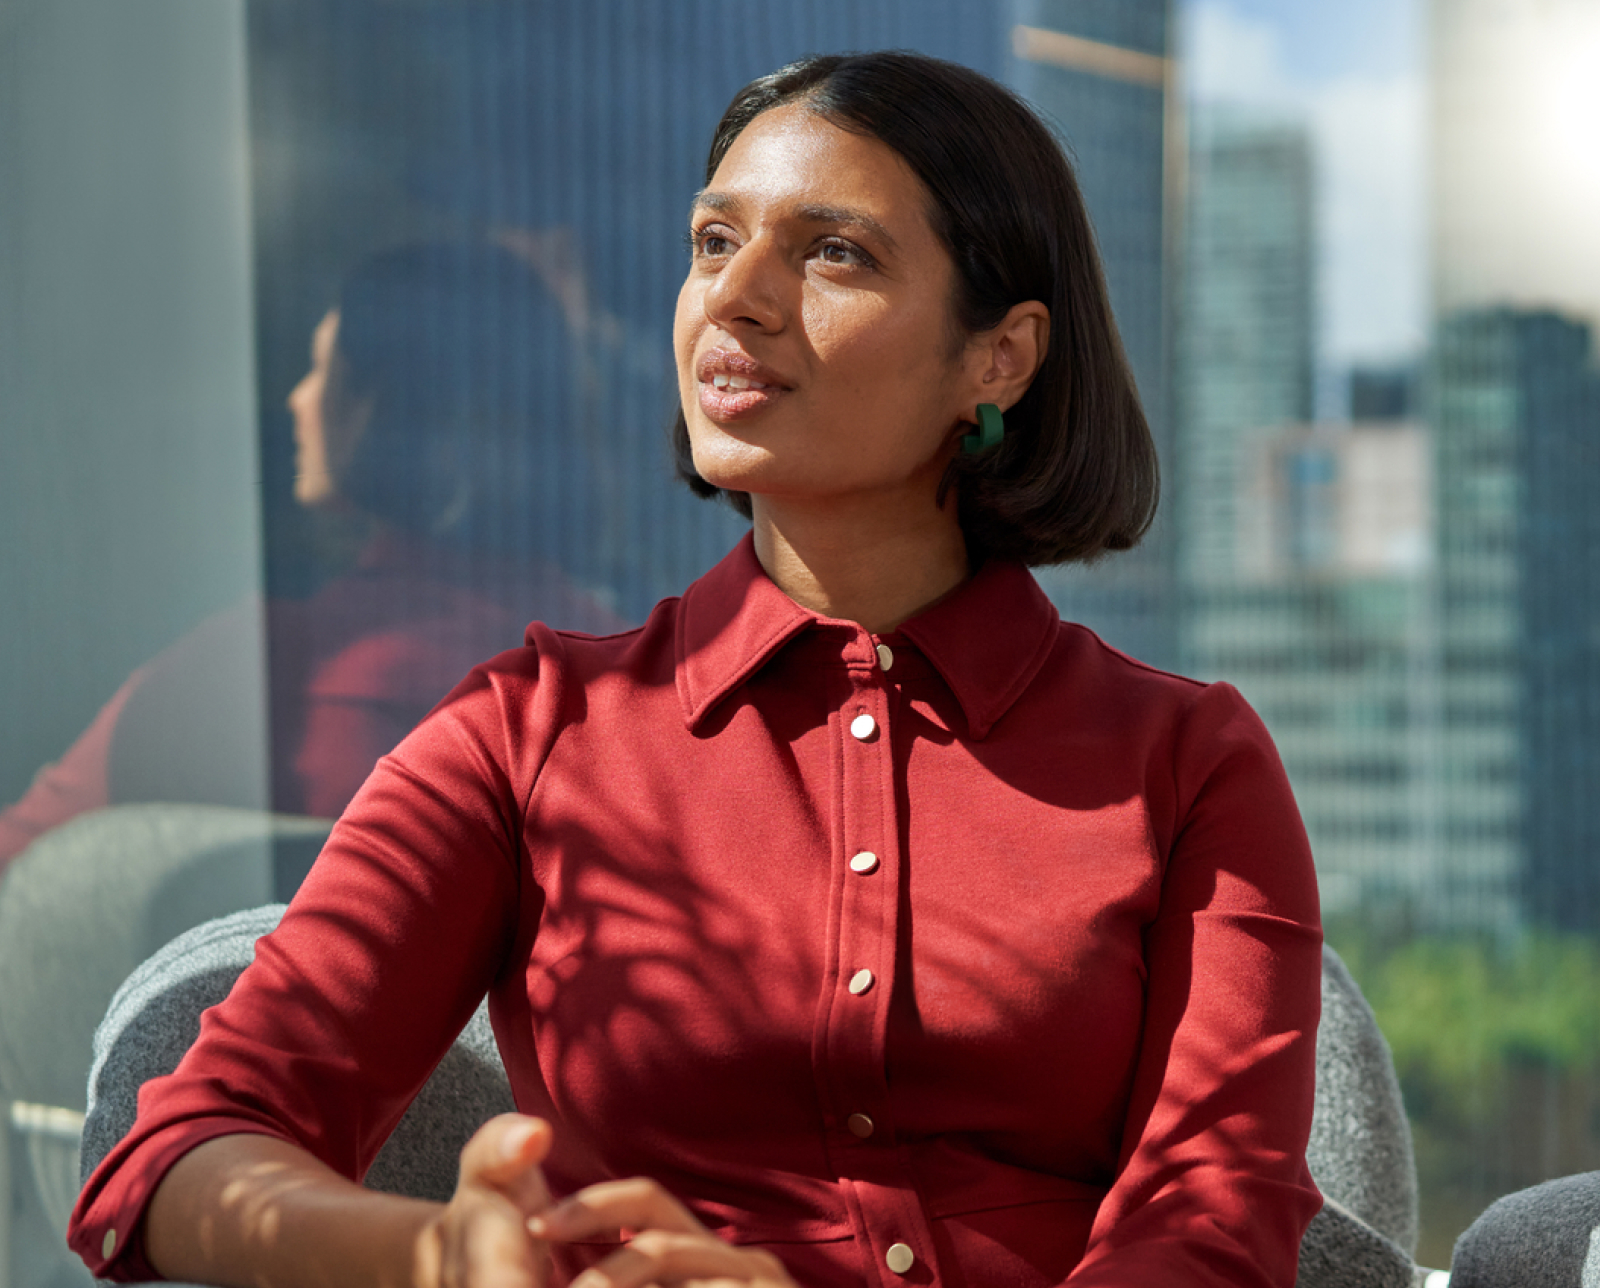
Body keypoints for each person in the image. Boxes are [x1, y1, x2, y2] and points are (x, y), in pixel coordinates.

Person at [69, 52, 1323, 1288]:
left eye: (834, 252)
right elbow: (180, 1150)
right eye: (714, 243)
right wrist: (440, 1253)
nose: (737, 296)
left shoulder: (1187, 759)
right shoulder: (527, 728)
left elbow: (1214, 1224)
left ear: (998, 357)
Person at [0, 242, 625, 868]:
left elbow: (21, 866)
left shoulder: (263, 672)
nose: (299, 401)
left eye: (324, 369)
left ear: (386, 404)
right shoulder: (626, 672)